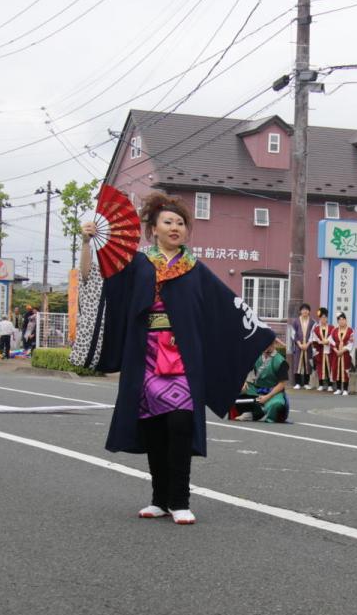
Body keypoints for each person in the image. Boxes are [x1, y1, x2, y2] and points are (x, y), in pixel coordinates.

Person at [78, 192, 274, 526]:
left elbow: (230, 307)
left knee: (180, 424)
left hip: (184, 359)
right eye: (168, 222)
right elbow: (93, 279)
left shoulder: (196, 270)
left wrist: (265, 335)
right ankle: (159, 499)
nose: (175, 228)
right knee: (154, 428)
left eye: (181, 223)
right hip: (148, 357)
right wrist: (86, 243)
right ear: (152, 228)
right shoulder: (137, 263)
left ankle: (180, 500)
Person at [236, 340, 290, 423]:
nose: (266, 347)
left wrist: (267, 397)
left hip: (273, 391)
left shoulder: (280, 361)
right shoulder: (256, 357)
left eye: (269, 344)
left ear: (273, 344)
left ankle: (255, 414)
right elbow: (247, 371)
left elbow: (282, 384)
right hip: (256, 389)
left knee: (275, 405)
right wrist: (245, 383)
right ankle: (254, 412)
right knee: (236, 391)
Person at [288, 303, 314, 389]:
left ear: (309, 311)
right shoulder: (296, 321)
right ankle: (297, 383)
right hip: (298, 346)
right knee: (297, 364)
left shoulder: (312, 322)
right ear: (300, 311)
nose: (305, 311)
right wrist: (299, 343)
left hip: (308, 346)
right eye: (303, 310)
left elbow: (313, 334)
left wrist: (308, 344)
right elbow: (293, 333)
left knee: (307, 364)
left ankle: (306, 383)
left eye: (306, 310)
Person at [310, 308, 334, 392]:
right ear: (319, 319)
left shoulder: (332, 328)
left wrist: (327, 341)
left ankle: (330, 385)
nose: (323, 319)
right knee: (320, 368)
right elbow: (314, 339)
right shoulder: (316, 329)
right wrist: (320, 342)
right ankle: (321, 384)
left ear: (327, 318)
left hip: (329, 351)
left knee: (330, 367)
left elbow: (334, 338)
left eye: (325, 317)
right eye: (322, 317)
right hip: (320, 350)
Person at [330, 313, 355, 396]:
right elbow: (331, 341)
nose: (341, 321)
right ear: (337, 321)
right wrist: (336, 350)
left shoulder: (350, 330)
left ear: (346, 320)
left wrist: (342, 350)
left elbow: (351, 343)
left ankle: (345, 389)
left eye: (343, 319)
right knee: (336, 370)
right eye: (339, 320)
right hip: (336, 354)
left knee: (345, 371)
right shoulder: (334, 331)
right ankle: (338, 388)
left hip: (345, 354)